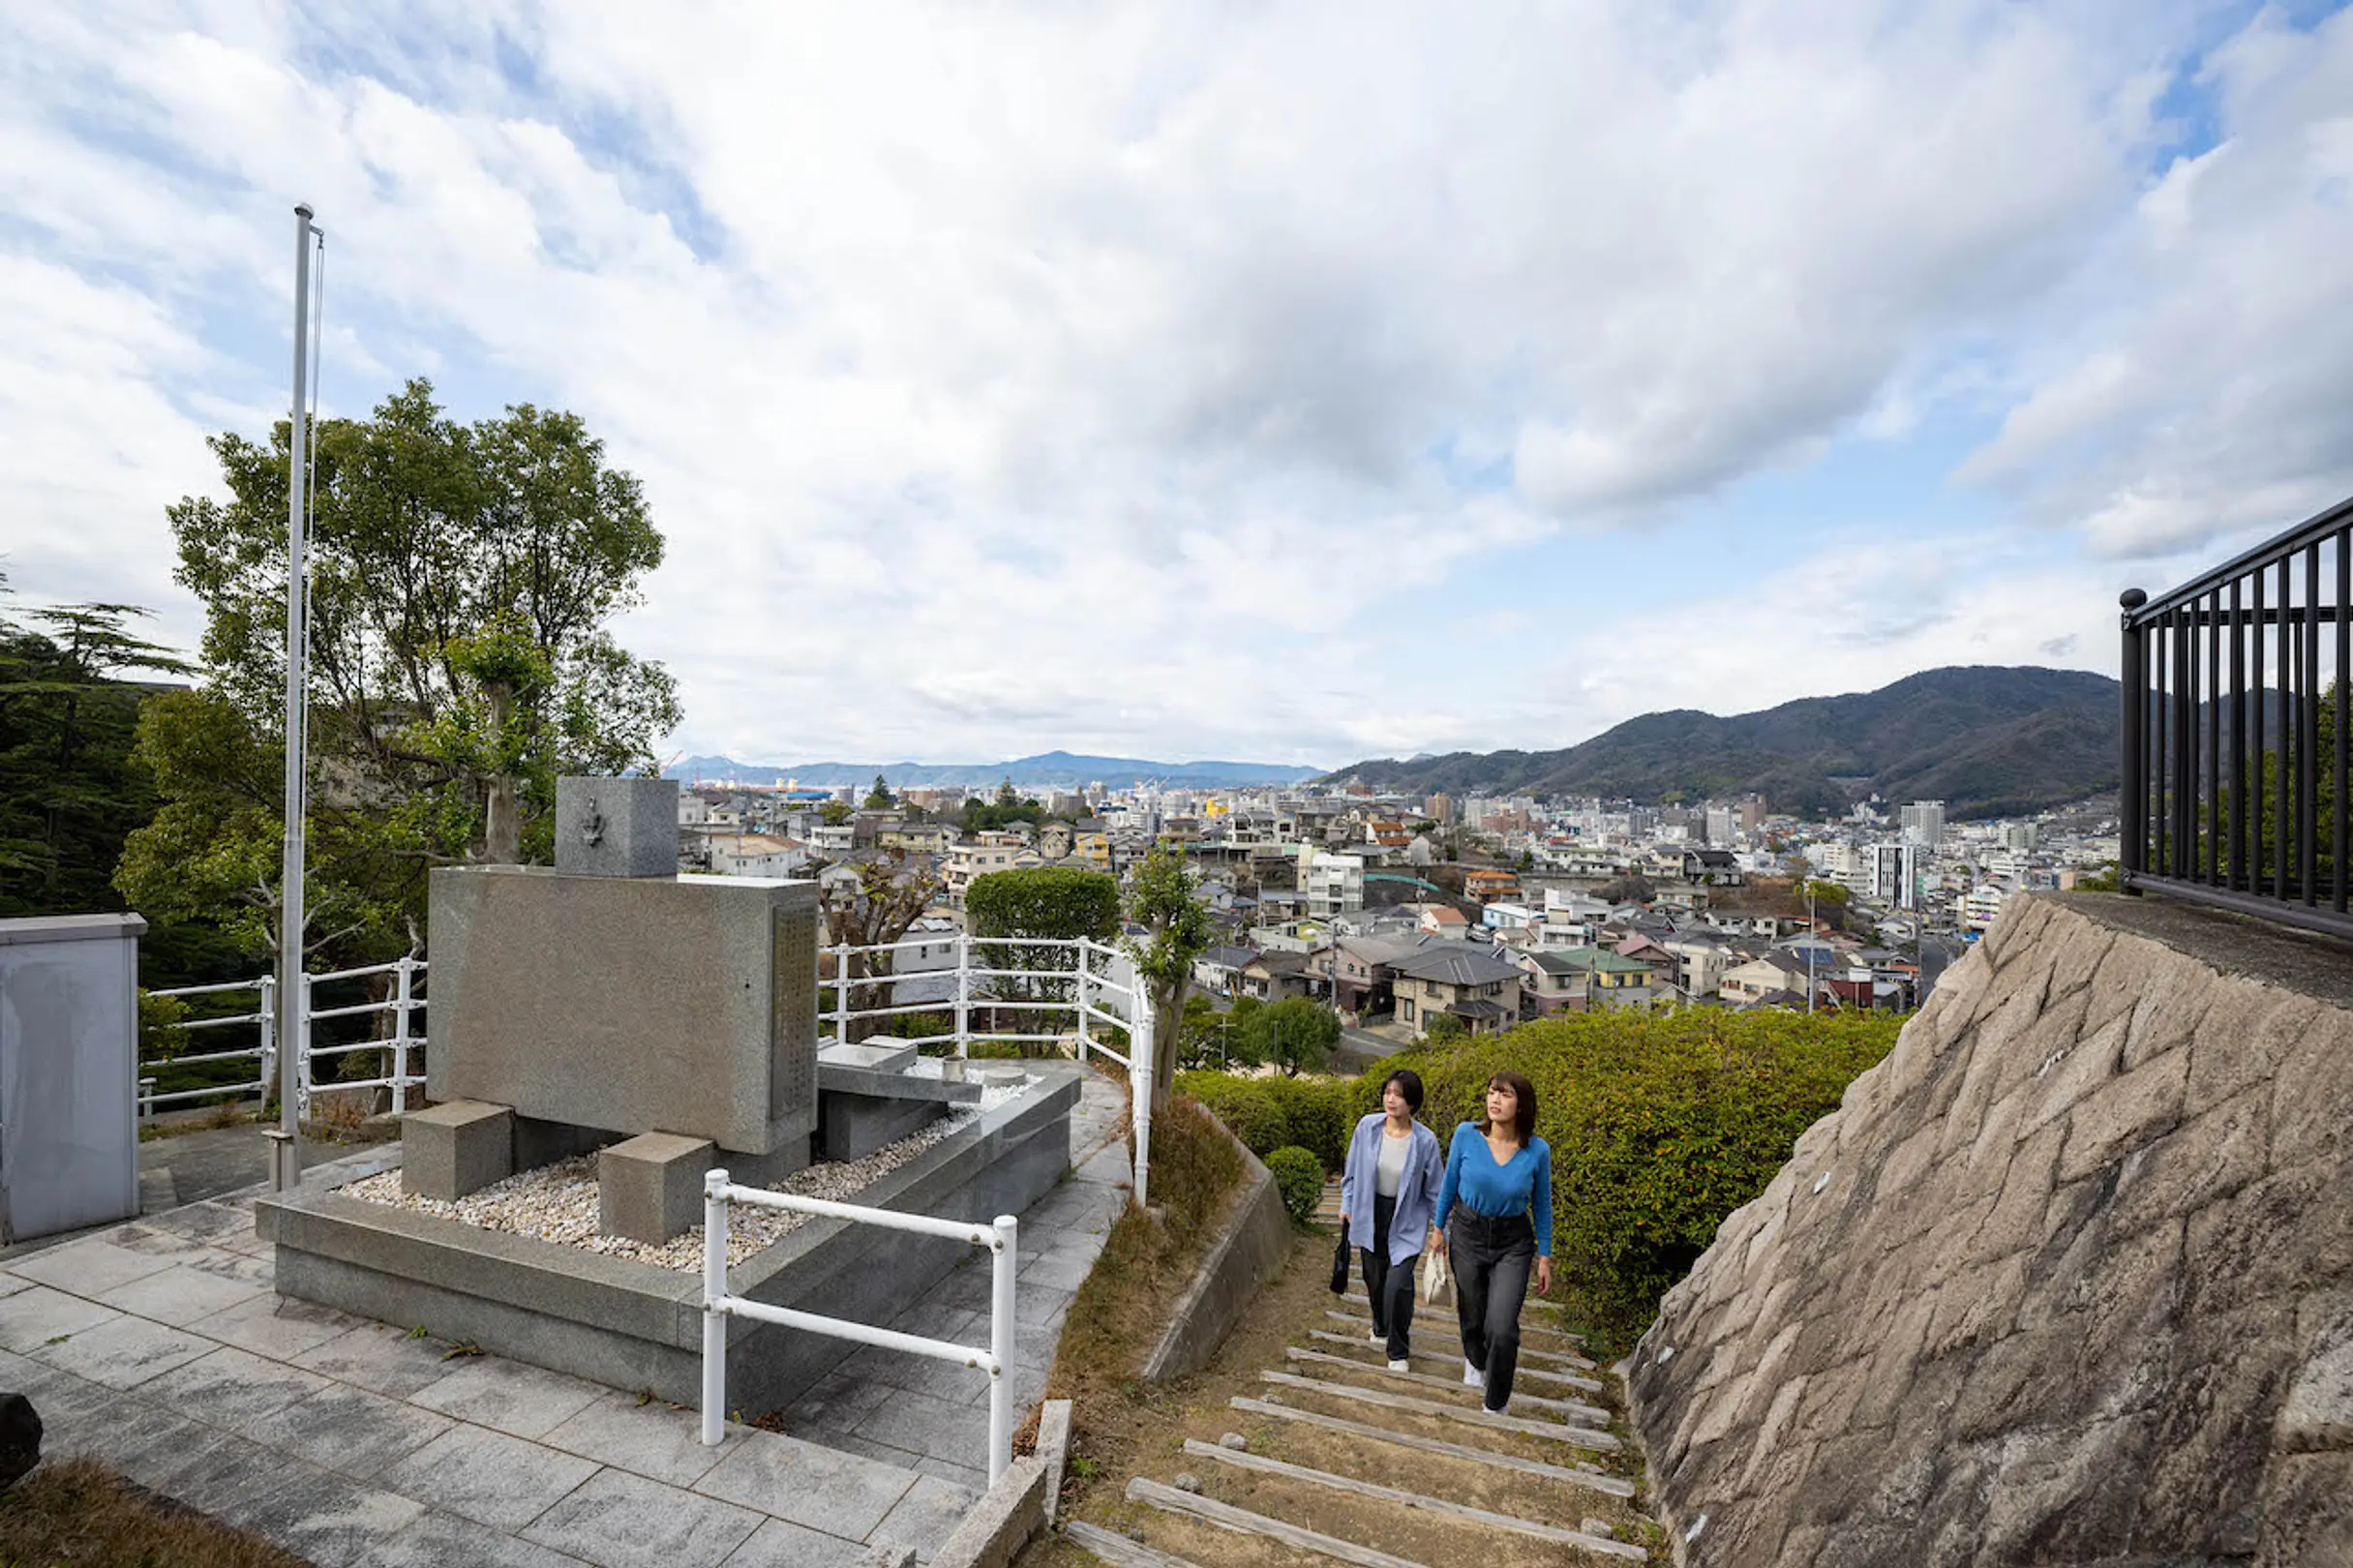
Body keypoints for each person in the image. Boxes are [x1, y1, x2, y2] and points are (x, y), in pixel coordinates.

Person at [1431, 1070, 1553, 1413]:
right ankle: (1475, 1358)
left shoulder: (1537, 1150)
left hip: (1513, 1241)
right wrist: (1438, 1229)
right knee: (1472, 1310)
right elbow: (1450, 1183)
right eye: (1491, 1092)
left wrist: (1545, 1256)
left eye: (1505, 1094)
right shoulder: (1466, 1135)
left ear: (1522, 1104)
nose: (1495, 1100)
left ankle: (1496, 1401)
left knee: (1502, 1326)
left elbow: (1542, 1204)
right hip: (1467, 1232)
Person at [1338, 1068, 1443, 1372]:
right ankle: (1380, 1324)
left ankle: (1398, 1351)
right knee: (1375, 1278)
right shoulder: (1367, 1127)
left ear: (1412, 1102)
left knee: (1398, 1285)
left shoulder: (1425, 1141)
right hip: (1370, 1213)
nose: (1391, 1100)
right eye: (1388, 1093)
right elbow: (1352, 1169)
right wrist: (1347, 1203)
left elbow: (1436, 1187)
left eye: (1399, 1095)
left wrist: (1440, 1229)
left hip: (1407, 1219)